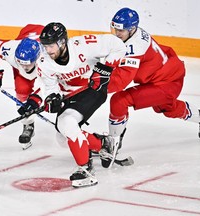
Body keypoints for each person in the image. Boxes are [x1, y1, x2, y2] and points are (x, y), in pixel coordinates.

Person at [20, 22, 130, 187]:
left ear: (62, 42)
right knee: (62, 138)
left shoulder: (84, 45)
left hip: (93, 89)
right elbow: (51, 87)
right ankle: (102, 144)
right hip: (70, 95)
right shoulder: (43, 61)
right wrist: (53, 98)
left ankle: (85, 168)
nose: (48, 50)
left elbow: (117, 45)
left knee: (67, 123)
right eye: (45, 46)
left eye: (51, 46)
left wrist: (104, 70)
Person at [107, 8, 200, 155]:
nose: (116, 34)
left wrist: (92, 87)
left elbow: (120, 82)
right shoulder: (131, 35)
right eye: (115, 29)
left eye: (121, 31)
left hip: (165, 83)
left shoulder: (134, 47)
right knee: (167, 108)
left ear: (132, 30)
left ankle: (112, 142)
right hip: (165, 74)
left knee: (119, 100)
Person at [0, 24, 44, 150]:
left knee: (60, 92)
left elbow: (51, 84)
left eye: (27, 65)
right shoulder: (9, 50)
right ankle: (28, 125)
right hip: (26, 34)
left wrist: (36, 99)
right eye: (20, 63)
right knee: (22, 91)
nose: (25, 68)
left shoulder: (48, 57)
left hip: (43, 53)